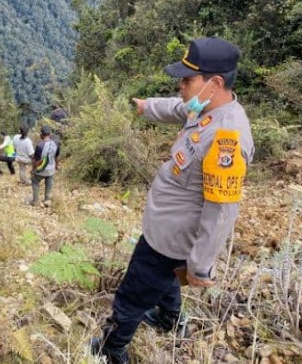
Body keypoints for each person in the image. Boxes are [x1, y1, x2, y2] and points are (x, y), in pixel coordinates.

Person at [90, 37, 255, 363]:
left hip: (171, 239)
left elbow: (220, 210)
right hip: (166, 228)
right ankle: (169, 320)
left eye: (187, 79)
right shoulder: (207, 107)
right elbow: (180, 109)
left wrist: (199, 265)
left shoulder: (228, 136)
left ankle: (112, 347)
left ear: (215, 82)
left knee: (134, 293)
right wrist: (148, 107)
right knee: (165, 280)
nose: (180, 85)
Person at [30, 125, 60, 207]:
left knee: (35, 181)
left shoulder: (40, 145)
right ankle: (47, 199)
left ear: (41, 134)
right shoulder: (56, 143)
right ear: (50, 134)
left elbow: (36, 161)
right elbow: (57, 157)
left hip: (41, 170)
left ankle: (36, 201)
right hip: (51, 169)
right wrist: (56, 166)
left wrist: (33, 170)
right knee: (49, 181)